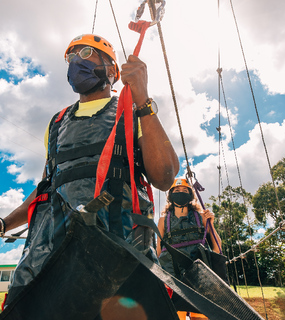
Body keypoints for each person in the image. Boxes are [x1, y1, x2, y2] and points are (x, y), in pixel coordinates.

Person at [0, 34, 179, 308]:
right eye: (70, 59)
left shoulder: (132, 111)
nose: (75, 63)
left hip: (120, 249)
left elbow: (165, 177)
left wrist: (142, 99)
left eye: (85, 54)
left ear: (111, 69)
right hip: (56, 253)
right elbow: (48, 188)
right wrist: (4, 224)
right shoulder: (57, 122)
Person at [157, 178, 222, 320]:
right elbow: (158, 251)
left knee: (200, 316)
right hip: (173, 280)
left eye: (185, 190)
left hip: (199, 278)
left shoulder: (201, 217)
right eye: (177, 190)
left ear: (191, 195)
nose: (181, 193)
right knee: (175, 315)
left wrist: (211, 223)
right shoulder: (163, 221)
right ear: (170, 195)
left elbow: (217, 247)